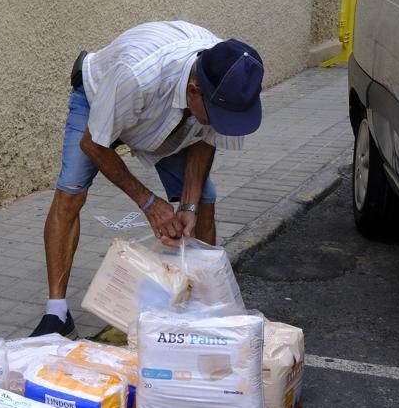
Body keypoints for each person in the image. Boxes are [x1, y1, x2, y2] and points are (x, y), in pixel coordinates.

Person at [33, 22, 265, 338]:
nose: (223, 124)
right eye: (218, 116)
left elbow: (205, 138)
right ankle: (57, 314)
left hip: (162, 118)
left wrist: (189, 205)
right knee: (70, 191)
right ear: (194, 91)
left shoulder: (227, 78)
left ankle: (200, 304)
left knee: (204, 199)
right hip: (101, 97)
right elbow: (94, 144)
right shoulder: (137, 74)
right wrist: (150, 204)